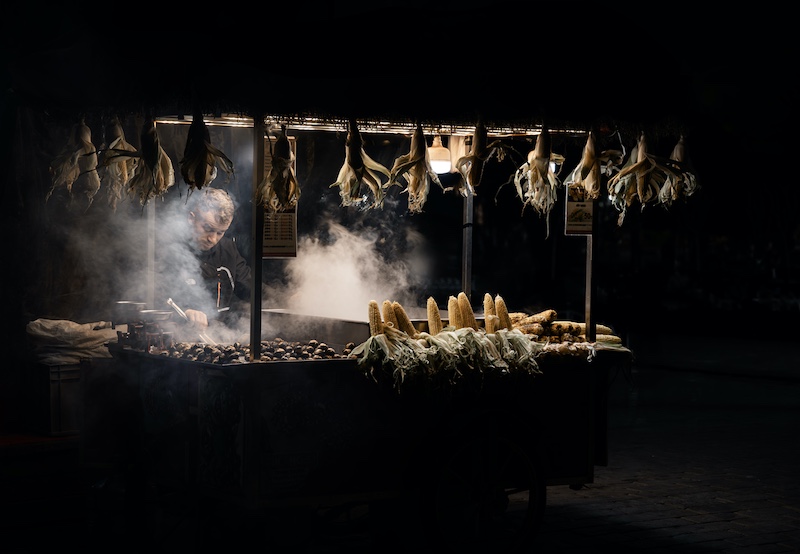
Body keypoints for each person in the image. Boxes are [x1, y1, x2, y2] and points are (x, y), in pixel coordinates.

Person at [157, 187, 252, 337]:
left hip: (220, 338)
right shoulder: (170, 249)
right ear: (191, 218)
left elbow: (250, 288)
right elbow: (154, 297)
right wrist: (185, 311)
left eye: (220, 232)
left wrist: (284, 298)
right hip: (177, 338)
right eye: (207, 228)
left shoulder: (228, 250)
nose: (212, 239)